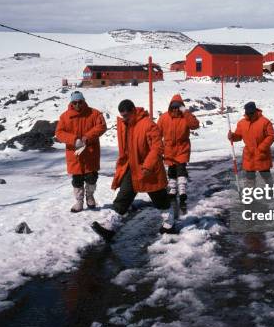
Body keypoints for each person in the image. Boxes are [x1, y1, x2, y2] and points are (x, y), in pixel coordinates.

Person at [91, 99, 176, 241]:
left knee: (159, 198)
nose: (124, 118)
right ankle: (109, 227)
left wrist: (148, 165)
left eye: (126, 115)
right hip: (133, 168)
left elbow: (157, 147)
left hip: (150, 169)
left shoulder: (148, 124)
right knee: (123, 195)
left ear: (133, 111)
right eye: (122, 116)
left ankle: (169, 224)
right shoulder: (126, 124)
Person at [55, 91, 107, 212]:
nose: (77, 105)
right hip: (74, 155)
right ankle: (79, 201)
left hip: (90, 153)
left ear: (84, 101)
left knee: (92, 177)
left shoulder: (94, 113)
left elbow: (102, 126)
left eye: (80, 102)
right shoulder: (64, 116)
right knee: (77, 179)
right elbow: (59, 133)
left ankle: (90, 196)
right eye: (75, 102)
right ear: (71, 103)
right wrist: (74, 140)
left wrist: (86, 137)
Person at [157, 94, 200, 215]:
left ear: (181, 107)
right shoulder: (164, 118)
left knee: (181, 168)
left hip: (182, 147)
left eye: (178, 107)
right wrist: (158, 147)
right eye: (174, 107)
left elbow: (195, 125)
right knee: (171, 169)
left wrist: (185, 112)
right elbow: (157, 133)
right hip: (169, 148)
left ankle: (182, 191)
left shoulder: (185, 117)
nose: (176, 109)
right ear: (170, 107)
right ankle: (173, 189)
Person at [228, 102, 274, 188]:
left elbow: (271, 136)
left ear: (255, 110)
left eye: (251, 112)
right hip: (249, 155)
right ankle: (250, 194)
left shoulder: (265, 121)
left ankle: (272, 190)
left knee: (266, 175)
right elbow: (238, 136)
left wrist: (262, 148)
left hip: (262, 154)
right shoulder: (241, 123)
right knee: (250, 177)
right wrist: (232, 136)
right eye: (248, 113)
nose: (250, 115)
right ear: (245, 112)